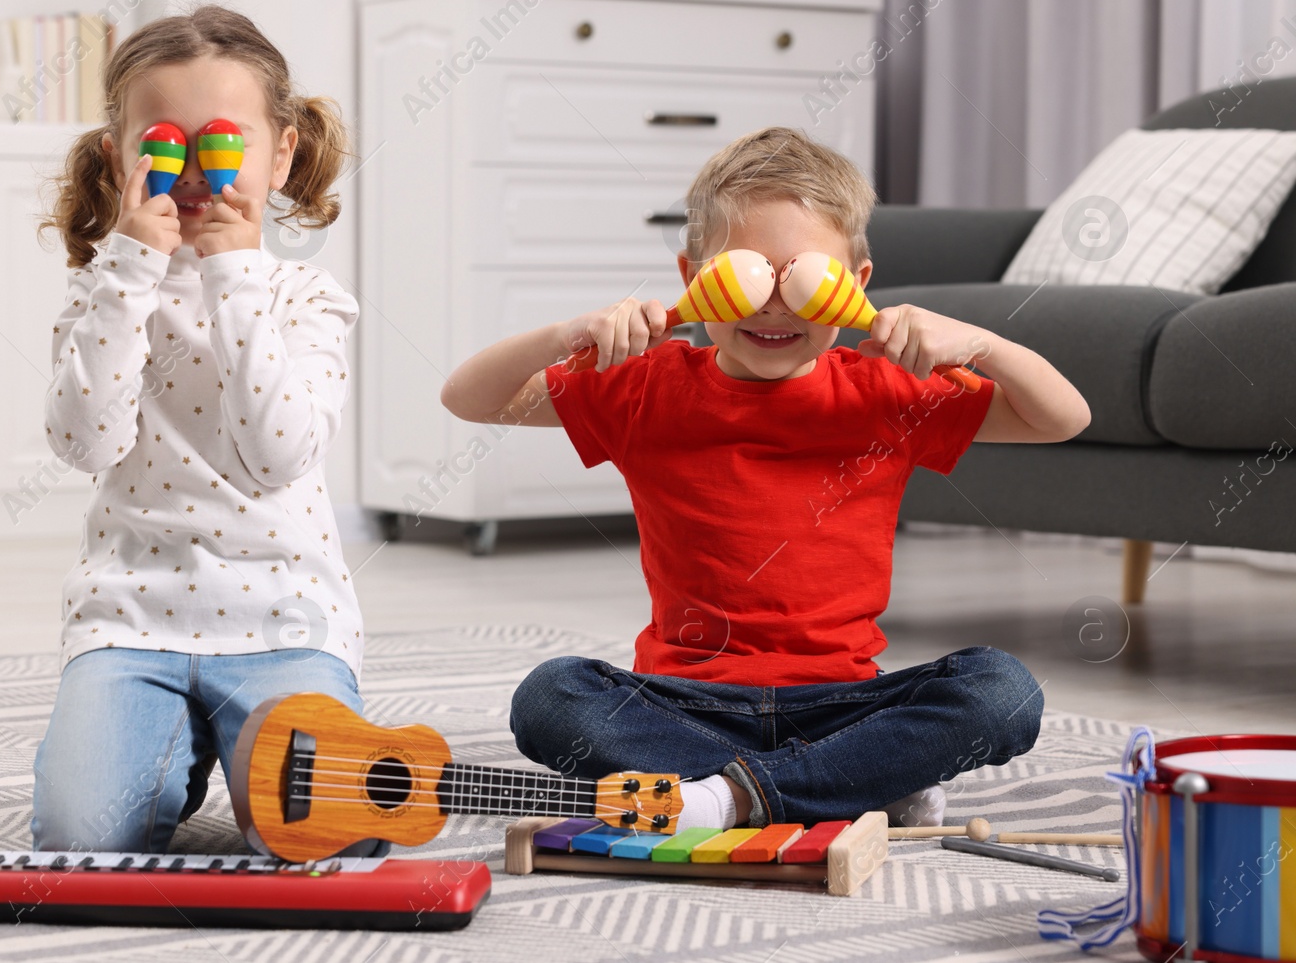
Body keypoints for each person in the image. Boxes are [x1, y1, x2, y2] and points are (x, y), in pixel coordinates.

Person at [441, 128, 1090, 831]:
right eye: (747, 276)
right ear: (693, 280)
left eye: (805, 279)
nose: (773, 305)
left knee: (1004, 692)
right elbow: (468, 397)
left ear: (856, 288)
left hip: (842, 704)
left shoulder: (889, 390)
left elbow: (1063, 417)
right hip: (684, 701)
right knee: (550, 697)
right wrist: (568, 333)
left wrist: (983, 343)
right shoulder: (643, 386)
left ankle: (725, 797)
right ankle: (852, 778)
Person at [30, 5, 374, 855]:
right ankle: (166, 748)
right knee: (80, 838)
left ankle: (218, 745)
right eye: (164, 146)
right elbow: (84, 443)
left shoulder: (307, 300)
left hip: (285, 618)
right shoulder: (102, 293)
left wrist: (233, 276)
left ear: (281, 153)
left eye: (220, 144)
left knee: (330, 837)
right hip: (130, 620)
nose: (193, 174)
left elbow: (277, 455)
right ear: (119, 159)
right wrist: (130, 269)